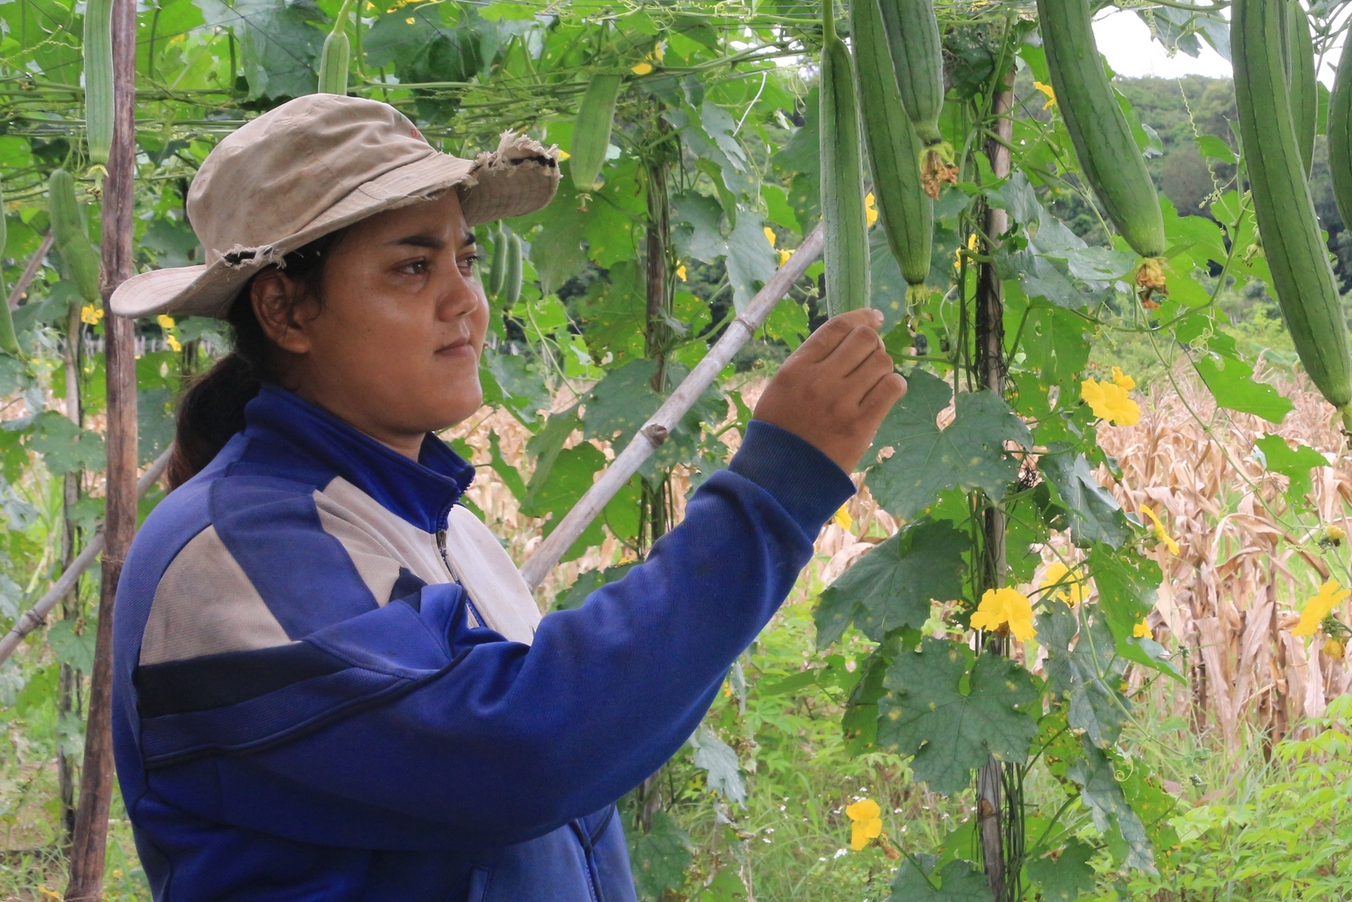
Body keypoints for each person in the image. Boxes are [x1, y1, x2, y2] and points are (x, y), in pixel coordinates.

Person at [106, 94, 906, 902]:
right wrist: (772, 494)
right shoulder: (231, 548)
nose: (465, 301)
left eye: (466, 260)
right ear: (285, 310)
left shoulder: (445, 525)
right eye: (413, 267)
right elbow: (520, 756)